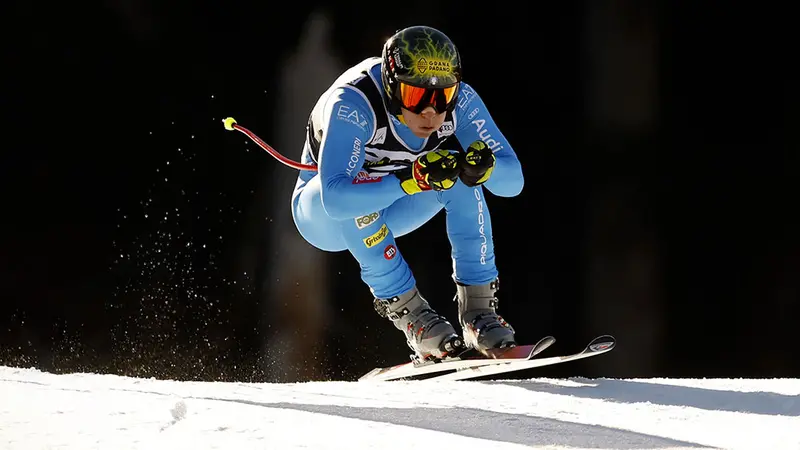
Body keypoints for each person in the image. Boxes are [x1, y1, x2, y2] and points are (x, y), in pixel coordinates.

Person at [290, 25, 524, 363]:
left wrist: (483, 168)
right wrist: (409, 180)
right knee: (362, 184)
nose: (430, 112)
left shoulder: (463, 102)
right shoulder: (354, 103)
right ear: (390, 84)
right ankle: (412, 315)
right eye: (416, 98)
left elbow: (512, 183)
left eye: (443, 97)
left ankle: (478, 312)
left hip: (394, 207)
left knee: (460, 175)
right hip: (323, 216)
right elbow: (336, 198)